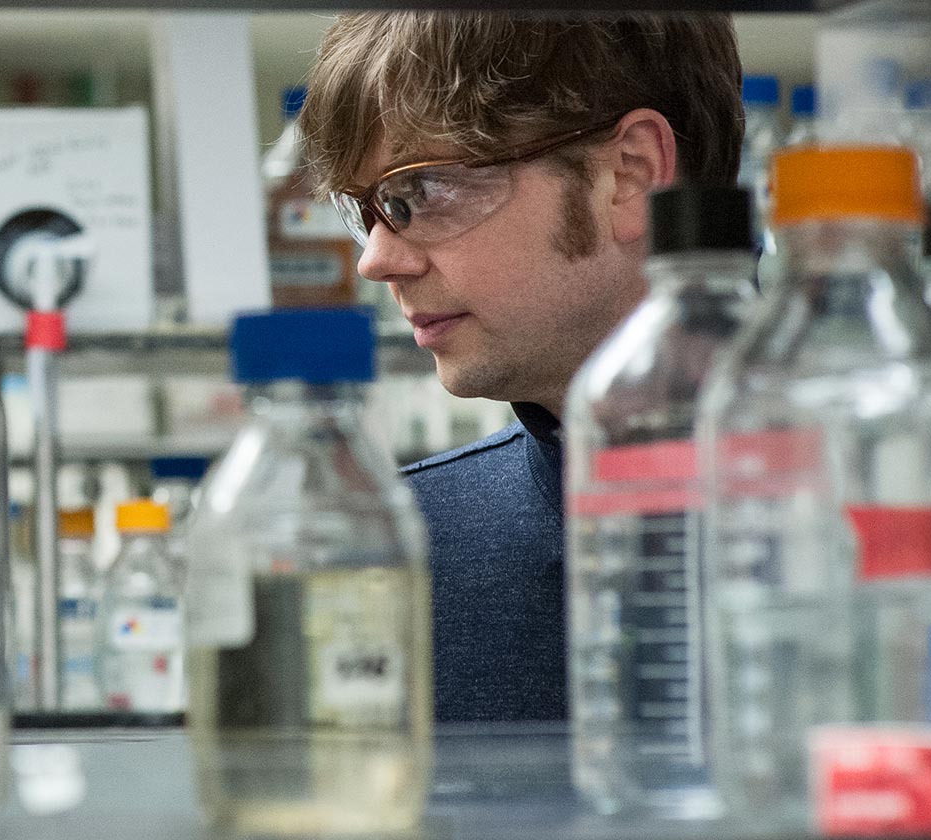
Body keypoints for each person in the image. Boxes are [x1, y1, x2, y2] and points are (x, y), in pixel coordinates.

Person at [298, 12, 744, 722]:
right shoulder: (396, 556)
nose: (377, 260)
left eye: (421, 192)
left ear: (629, 174)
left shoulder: (907, 506)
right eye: (370, 210)